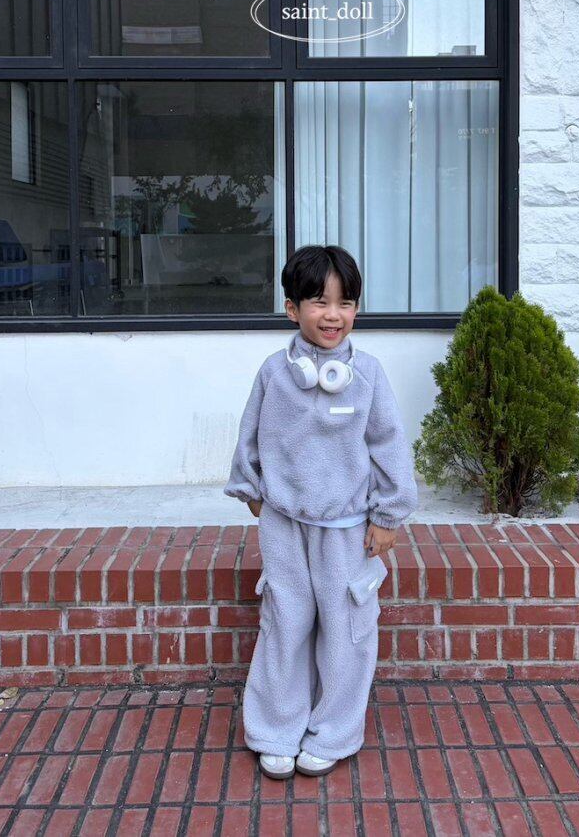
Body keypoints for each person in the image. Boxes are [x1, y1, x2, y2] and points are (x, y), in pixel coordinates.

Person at [223, 244, 418, 780]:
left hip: (347, 529)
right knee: (283, 622)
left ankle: (335, 731)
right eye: (319, 302)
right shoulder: (273, 372)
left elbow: (389, 445)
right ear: (292, 309)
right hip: (285, 525)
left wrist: (388, 515)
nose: (333, 315)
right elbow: (250, 434)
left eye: (345, 303)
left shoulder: (369, 374)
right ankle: (274, 728)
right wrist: (253, 490)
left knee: (348, 629)